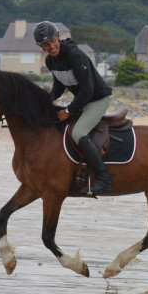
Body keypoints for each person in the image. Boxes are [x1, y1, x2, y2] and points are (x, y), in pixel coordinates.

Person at [34, 21, 114, 194]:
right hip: (83, 100)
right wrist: (44, 101)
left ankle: (103, 179)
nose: (51, 46)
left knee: (78, 133)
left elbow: (88, 89)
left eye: (52, 41)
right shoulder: (50, 61)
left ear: (58, 37)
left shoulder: (75, 56)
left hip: (98, 99)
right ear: (41, 47)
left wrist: (68, 110)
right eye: (45, 44)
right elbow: (59, 86)